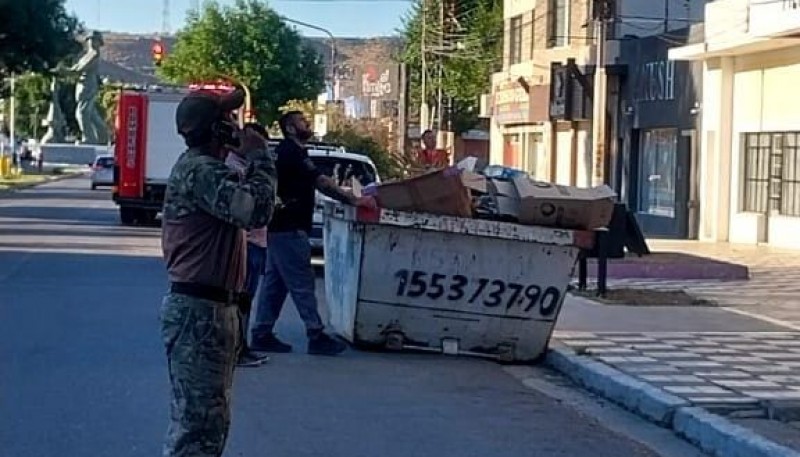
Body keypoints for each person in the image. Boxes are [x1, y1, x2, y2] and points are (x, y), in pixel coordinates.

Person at [159, 86, 277, 457]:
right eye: (227, 119)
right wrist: (260, 158)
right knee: (197, 429)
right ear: (213, 129)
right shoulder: (199, 171)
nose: (234, 125)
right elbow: (253, 211)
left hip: (212, 310)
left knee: (209, 425)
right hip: (199, 312)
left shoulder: (211, 170)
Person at [250, 110, 376, 356]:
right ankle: (315, 334)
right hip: (289, 227)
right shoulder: (292, 152)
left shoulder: (290, 152)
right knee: (302, 282)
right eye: (301, 121)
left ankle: (261, 333)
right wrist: (353, 200)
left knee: (275, 284)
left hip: (279, 227)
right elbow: (321, 182)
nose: (307, 123)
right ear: (289, 128)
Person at [225, 121, 271, 368]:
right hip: (247, 242)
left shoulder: (245, 166)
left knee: (246, 299)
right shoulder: (234, 169)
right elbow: (251, 208)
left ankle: (241, 345)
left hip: (257, 242)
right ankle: (237, 348)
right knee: (240, 299)